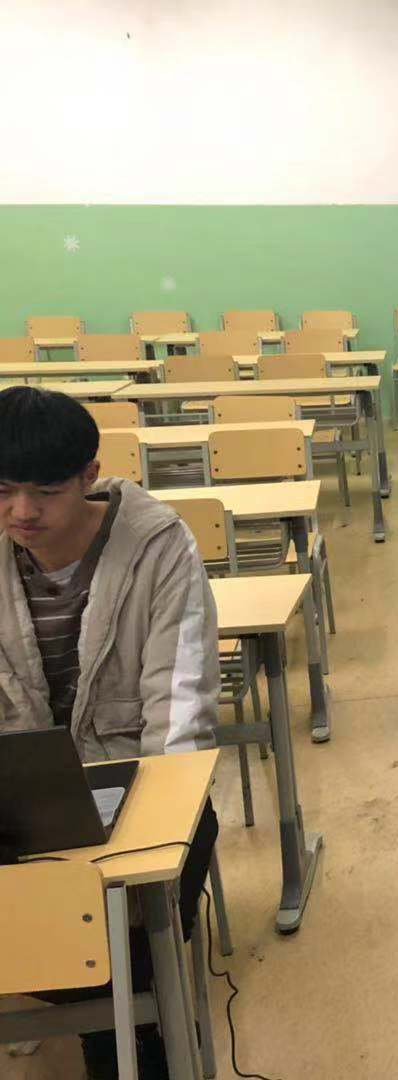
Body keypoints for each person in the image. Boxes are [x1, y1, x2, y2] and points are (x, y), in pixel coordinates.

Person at [0, 386, 220, 1080]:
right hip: (21, 798)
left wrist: (145, 848)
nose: (22, 512)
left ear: (89, 476)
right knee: (77, 955)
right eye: (2, 491)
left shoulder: (157, 547)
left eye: (46, 492)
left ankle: (129, 1024)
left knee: (124, 966)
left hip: (139, 785)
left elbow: (179, 711)